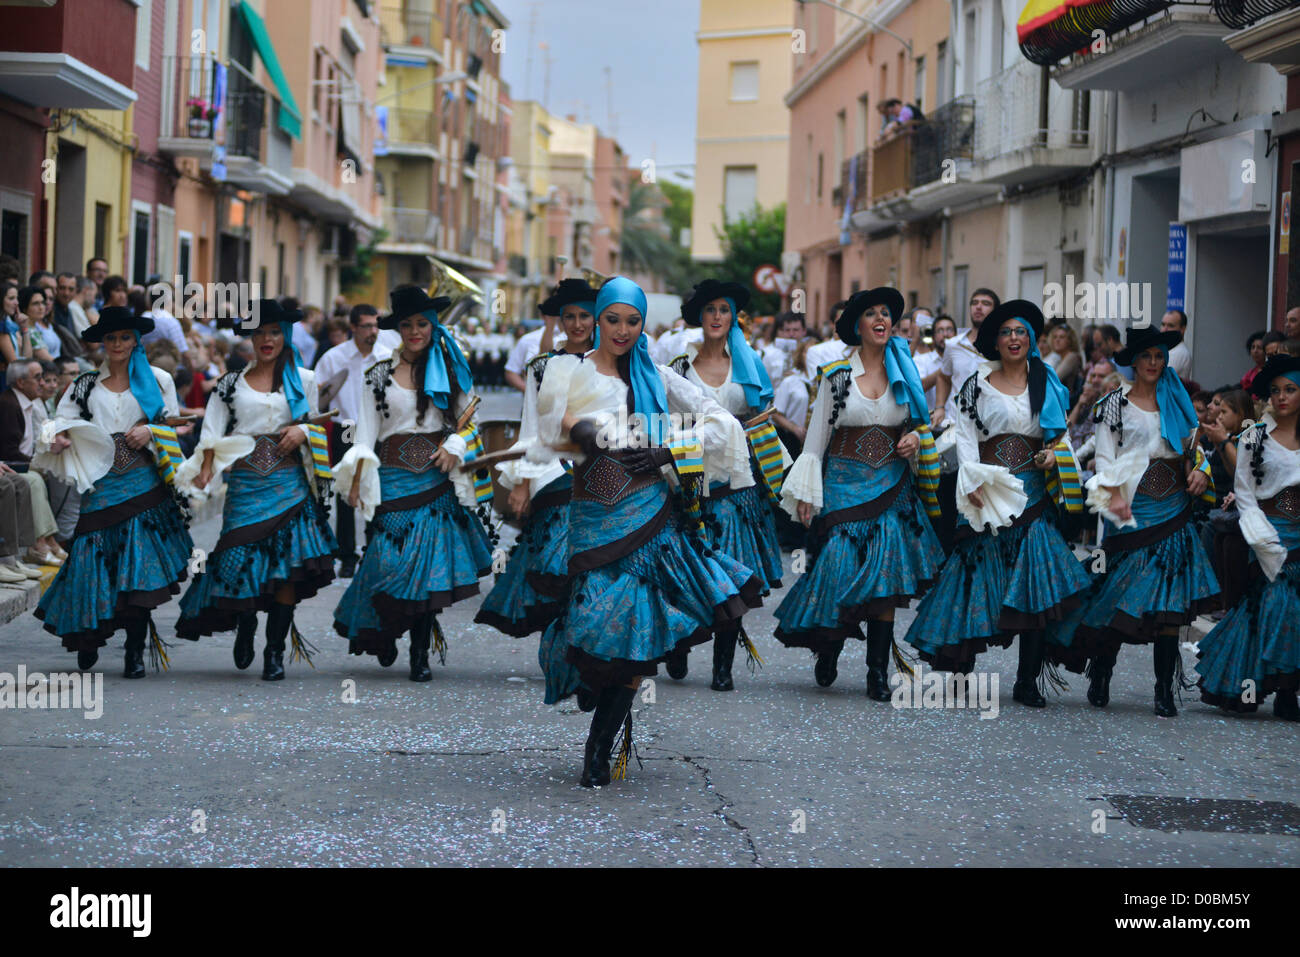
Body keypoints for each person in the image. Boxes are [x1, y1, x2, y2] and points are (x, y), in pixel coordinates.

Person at [527, 276, 760, 786]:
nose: (623, 330)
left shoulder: (657, 377)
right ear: (598, 319)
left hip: (651, 521)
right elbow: (550, 425)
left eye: (633, 321)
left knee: (637, 632)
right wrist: (587, 430)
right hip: (593, 521)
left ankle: (599, 746)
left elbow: (724, 424)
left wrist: (668, 450)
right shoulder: (568, 370)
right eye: (613, 319)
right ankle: (596, 689)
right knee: (591, 627)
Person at [906, 299, 1092, 707]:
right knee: (973, 576)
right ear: (996, 340)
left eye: (1021, 332)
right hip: (987, 490)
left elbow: (1059, 438)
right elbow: (967, 435)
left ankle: (1027, 681)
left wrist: (1050, 455)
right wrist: (971, 480)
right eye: (1007, 332)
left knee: (1035, 584)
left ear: (1031, 339)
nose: (1014, 338)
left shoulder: (1046, 380)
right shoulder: (976, 381)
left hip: (1033, 495)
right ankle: (959, 668)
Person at [776, 287, 944, 696]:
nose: (881, 319)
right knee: (838, 569)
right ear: (858, 326)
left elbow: (919, 427)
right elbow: (816, 440)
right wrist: (805, 496)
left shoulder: (904, 374)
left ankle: (876, 674)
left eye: (886, 313)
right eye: (872, 313)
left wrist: (915, 441)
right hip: (843, 484)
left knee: (886, 575)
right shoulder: (837, 376)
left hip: (891, 485)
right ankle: (829, 648)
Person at [1048, 326, 1219, 716]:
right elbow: (1105, 460)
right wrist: (1117, 502)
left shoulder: (1178, 401)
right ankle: (1102, 670)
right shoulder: (1113, 405)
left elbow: (1197, 451)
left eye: (1159, 357)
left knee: (1169, 605)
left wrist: (1202, 473)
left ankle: (1163, 689)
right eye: (1147, 357)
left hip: (1174, 510)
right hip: (1132, 510)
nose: (1155, 364)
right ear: (1134, 362)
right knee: (1118, 600)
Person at [332, 286, 492, 678]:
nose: (415, 331)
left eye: (422, 323)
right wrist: (356, 480)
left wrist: (454, 444)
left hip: (435, 481)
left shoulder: (452, 370)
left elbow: (470, 423)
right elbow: (366, 434)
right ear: (398, 328)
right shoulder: (377, 375)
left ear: (434, 325)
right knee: (386, 563)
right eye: (407, 324)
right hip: (390, 479)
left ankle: (419, 654)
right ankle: (386, 629)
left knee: (430, 571)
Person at [174, 299, 337, 680]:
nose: (267, 339)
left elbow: (315, 425)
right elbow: (211, 432)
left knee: (285, 570)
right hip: (246, 485)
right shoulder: (230, 384)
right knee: (240, 561)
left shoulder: (306, 380)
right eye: (260, 332)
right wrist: (206, 470)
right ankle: (245, 622)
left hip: (290, 485)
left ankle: (275, 650)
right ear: (250, 336)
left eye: (275, 332)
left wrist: (304, 430)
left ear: (286, 335)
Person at [31, 307, 193, 676]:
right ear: (102, 342)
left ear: (136, 340)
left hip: (143, 482)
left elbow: (174, 424)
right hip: (100, 483)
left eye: (124, 337)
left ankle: (134, 651)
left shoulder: (159, 379)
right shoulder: (84, 384)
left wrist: (151, 432)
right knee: (90, 560)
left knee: (137, 570)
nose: (118, 344)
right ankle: (88, 636)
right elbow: (57, 421)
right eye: (111, 338)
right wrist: (57, 437)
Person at [664, 279, 789, 690]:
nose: (717, 317)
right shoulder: (678, 365)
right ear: (699, 316)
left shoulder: (749, 363)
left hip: (736, 485)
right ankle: (679, 646)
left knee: (734, 575)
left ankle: (723, 667)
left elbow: (761, 421)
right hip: (690, 481)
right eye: (710, 309)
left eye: (724, 309)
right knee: (685, 571)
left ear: (734, 316)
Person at [478, 278, 598, 640]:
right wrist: (523, 483)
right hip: (552, 474)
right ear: (559, 320)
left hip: (602, 475)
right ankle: (561, 639)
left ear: (597, 319)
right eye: (569, 316)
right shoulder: (540, 367)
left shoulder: (615, 363)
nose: (577, 324)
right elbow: (530, 431)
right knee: (554, 564)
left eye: (585, 316)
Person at [1196, 353, 1300, 721]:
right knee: (1279, 603)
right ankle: (1284, 692)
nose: (1282, 397)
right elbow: (1244, 493)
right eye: (1275, 391)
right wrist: (1263, 540)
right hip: (1269, 535)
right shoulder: (1255, 437)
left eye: (1291, 389)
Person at [313, 303, 400, 578]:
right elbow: (317, 395)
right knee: (345, 492)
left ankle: (372, 551)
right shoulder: (333, 357)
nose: (373, 331)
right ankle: (347, 555)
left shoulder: (388, 356)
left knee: (375, 488)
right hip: (347, 427)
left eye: (376, 325)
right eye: (367, 326)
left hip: (377, 429)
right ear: (353, 328)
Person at [931, 288, 999, 552]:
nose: (979, 307)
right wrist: (939, 406)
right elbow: (943, 376)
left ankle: (979, 551)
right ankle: (947, 556)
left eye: (986, 303)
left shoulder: (1001, 345)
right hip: (954, 428)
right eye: (974, 303)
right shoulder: (954, 345)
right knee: (949, 492)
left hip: (988, 432)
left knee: (981, 493)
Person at [805, 302, 851, 382]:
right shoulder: (817, 350)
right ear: (832, 324)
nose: (847, 325)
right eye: (842, 321)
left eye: (850, 321)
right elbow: (818, 383)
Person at [1161, 309, 1192, 380]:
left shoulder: (1179, 353)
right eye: (1163, 324)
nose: (1165, 329)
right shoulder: (1166, 349)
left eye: (1170, 326)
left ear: (1182, 329)